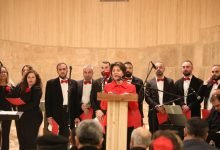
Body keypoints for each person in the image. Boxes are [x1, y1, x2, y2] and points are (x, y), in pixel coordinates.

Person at [100, 61, 140, 150]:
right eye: (113, 71)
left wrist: (128, 98)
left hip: (127, 123)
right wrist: (108, 97)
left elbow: (135, 107)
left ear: (123, 72)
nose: (115, 72)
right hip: (110, 122)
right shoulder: (107, 87)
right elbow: (103, 106)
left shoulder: (131, 87)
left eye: (118, 70)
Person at [9, 70, 43, 150]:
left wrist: (20, 107)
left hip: (33, 117)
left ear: (36, 79)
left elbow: (34, 103)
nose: (30, 79)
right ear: (26, 79)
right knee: (23, 140)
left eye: (32, 77)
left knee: (30, 141)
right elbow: (16, 96)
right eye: (28, 77)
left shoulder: (37, 88)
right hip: (23, 117)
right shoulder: (24, 88)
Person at [45, 62, 80, 137]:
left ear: (67, 70)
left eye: (64, 69)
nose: (62, 71)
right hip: (56, 114)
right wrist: (49, 116)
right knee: (56, 136)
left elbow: (76, 101)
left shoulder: (74, 83)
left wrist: (77, 116)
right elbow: (48, 101)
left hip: (70, 113)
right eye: (60, 69)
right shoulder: (50, 83)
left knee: (69, 136)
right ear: (57, 71)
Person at [145, 62, 175, 133]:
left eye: (160, 67)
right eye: (156, 67)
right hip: (153, 112)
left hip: (166, 111)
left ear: (164, 69)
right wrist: (156, 106)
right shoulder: (149, 82)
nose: (158, 69)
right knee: (153, 133)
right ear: (154, 70)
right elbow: (147, 97)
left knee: (166, 133)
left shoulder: (170, 82)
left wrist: (164, 106)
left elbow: (172, 96)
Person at [124, 61, 143, 127]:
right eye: (126, 68)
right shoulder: (119, 80)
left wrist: (131, 103)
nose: (128, 70)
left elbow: (141, 97)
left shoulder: (139, 81)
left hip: (136, 111)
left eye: (130, 68)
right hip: (123, 111)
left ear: (132, 69)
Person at [0, 66, 13, 150]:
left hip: (8, 112)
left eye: (5, 72)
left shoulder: (11, 86)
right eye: (1, 72)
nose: (3, 73)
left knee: (5, 133)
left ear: (7, 74)